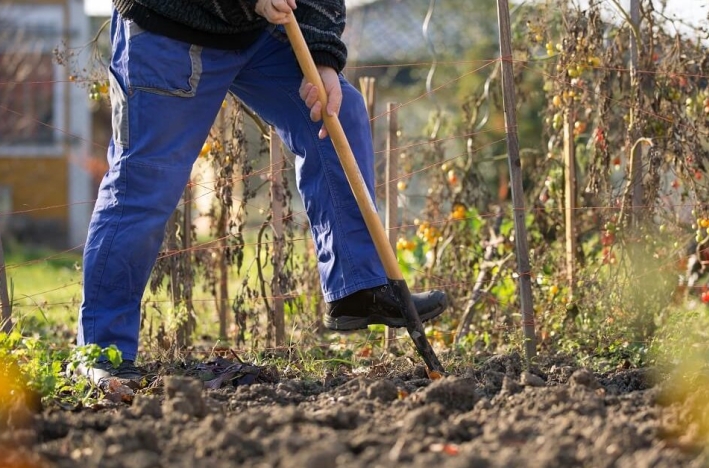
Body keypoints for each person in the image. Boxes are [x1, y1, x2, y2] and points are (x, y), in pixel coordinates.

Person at [77, 0, 448, 384]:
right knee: (143, 182)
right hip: (171, 26)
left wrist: (322, 54)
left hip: (255, 31)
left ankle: (358, 285)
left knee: (338, 110)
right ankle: (103, 353)